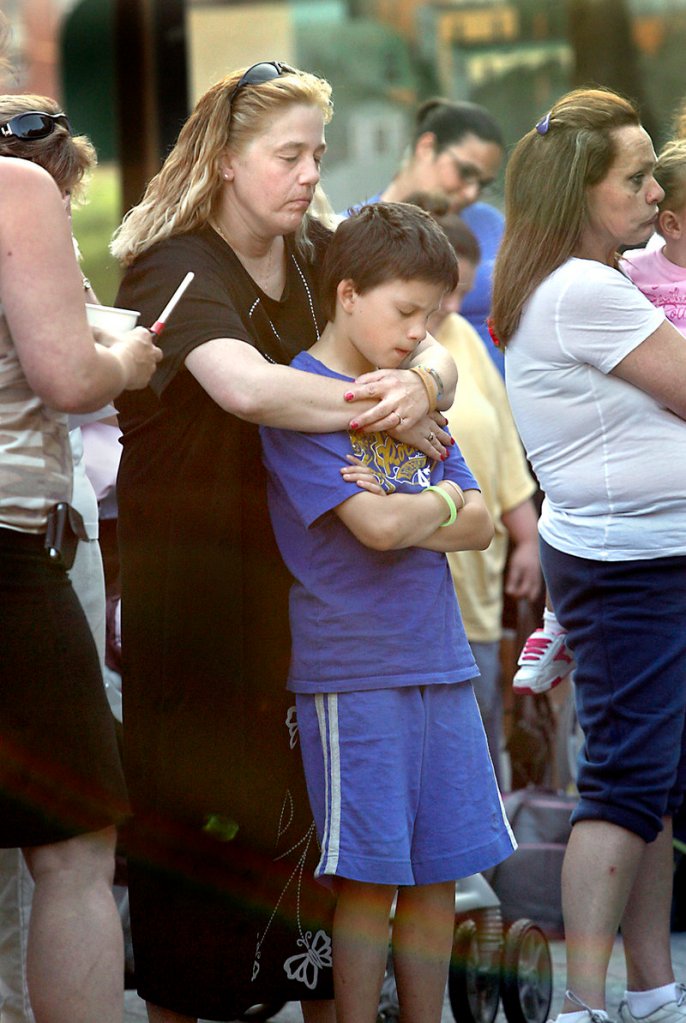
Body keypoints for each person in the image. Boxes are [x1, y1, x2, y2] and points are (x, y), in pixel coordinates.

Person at [109, 61, 459, 1023]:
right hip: (197, 598)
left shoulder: (318, 252)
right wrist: (381, 403)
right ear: (226, 160)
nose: (310, 174)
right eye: (288, 154)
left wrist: (426, 383)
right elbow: (249, 389)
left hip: (303, 594)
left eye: (318, 154)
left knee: (310, 838)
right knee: (195, 842)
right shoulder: (173, 264)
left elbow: (422, 328)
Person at [259, 201, 516, 1023]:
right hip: (354, 670)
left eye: (430, 317)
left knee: (440, 869)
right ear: (345, 294)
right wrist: (440, 503)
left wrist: (429, 504)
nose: (418, 335)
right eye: (405, 311)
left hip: (438, 656)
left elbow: (478, 523)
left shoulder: (411, 399)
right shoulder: (306, 401)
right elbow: (372, 529)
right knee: (370, 876)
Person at [490, 86, 686, 1023]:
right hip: (632, 568)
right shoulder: (582, 290)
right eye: (638, 178)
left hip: (642, 559)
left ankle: (650, 989)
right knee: (624, 781)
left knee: (651, 781)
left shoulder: (578, 282)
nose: (655, 195)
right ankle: (582, 1003)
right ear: (582, 191)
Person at [0, 70, 161, 1023]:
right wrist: (128, 360)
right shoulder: (15, 187)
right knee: (73, 847)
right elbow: (68, 375)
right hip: (6, 545)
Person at [414, 202, 542, 784]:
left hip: (484, 598)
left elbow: (503, 449)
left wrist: (526, 541)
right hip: (429, 601)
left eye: (460, 292)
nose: (449, 307)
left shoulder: (462, 335)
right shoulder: (390, 354)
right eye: (441, 292)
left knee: (484, 759)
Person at [354, 97, 507, 373]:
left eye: (483, 184)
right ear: (427, 147)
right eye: (465, 172)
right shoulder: (356, 229)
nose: (471, 193)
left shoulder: (491, 224)